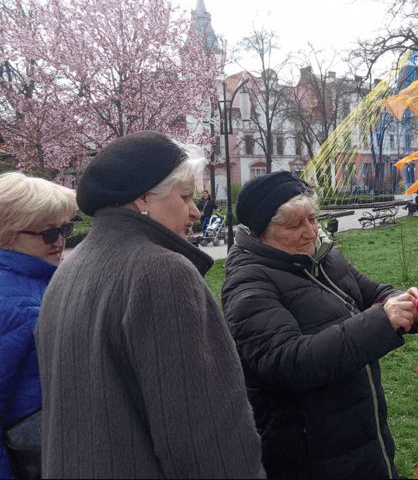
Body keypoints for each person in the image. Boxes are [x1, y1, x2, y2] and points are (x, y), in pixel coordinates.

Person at [35, 131, 265, 479]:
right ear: (144, 197)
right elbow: (204, 431)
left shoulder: (72, 266)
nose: (194, 212)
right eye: (186, 196)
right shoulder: (161, 270)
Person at [221, 171, 418, 479]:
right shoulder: (247, 284)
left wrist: (405, 301)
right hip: (310, 453)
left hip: (360, 438)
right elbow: (288, 360)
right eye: (294, 225)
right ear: (261, 232)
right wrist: (382, 320)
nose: (311, 232)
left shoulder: (322, 258)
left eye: (313, 219)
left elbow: (372, 292)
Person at [0, 172, 77, 479]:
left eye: (65, 229)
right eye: (48, 234)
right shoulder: (13, 302)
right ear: (6, 234)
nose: (60, 241)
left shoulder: (39, 284)